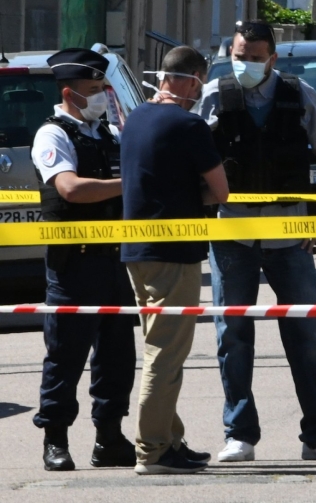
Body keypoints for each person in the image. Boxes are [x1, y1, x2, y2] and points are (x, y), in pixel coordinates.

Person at [198, 20, 316, 462]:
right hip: (232, 233)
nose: (245, 63)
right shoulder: (216, 95)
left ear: (272, 57)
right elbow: (194, 155)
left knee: (306, 334)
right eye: (238, 55)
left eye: (254, 57)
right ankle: (239, 434)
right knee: (232, 335)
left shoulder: (299, 94)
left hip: (290, 235)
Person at [120, 46, 229, 475]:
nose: (198, 92)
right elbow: (220, 192)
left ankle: (170, 439)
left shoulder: (135, 118)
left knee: (159, 348)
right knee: (165, 355)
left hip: (136, 251)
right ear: (188, 80)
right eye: (199, 82)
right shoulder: (190, 124)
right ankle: (152, 450)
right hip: (174, 252)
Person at [31, 48, 136, 471]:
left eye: (104, 89)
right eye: (95, 91)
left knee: (117, 356)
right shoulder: (52, 134)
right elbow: (71, 189)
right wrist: (128, 183)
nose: (101, 97)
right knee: (66, 356)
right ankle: (55, 439)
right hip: (73, 265)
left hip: (113, 261)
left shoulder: (106, 133)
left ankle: (109, 438)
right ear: (70, 93)